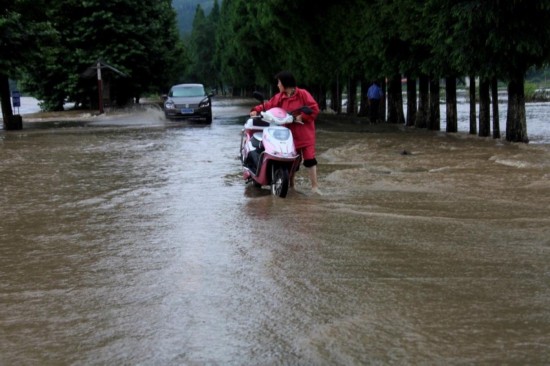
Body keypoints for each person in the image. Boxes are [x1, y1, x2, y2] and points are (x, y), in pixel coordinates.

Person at [250, 71, 321, 194]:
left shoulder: (303, 94)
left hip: (305, 135)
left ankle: (315, 187)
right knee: (291, 161)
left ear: (285, 83)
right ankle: (291, 186)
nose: (277, 85)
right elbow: (268, 105)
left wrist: (302, 117)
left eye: (279, 82)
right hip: (289, 135)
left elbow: (314, 109)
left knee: (310, 160)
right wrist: (256, 110)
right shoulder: (280, 97)